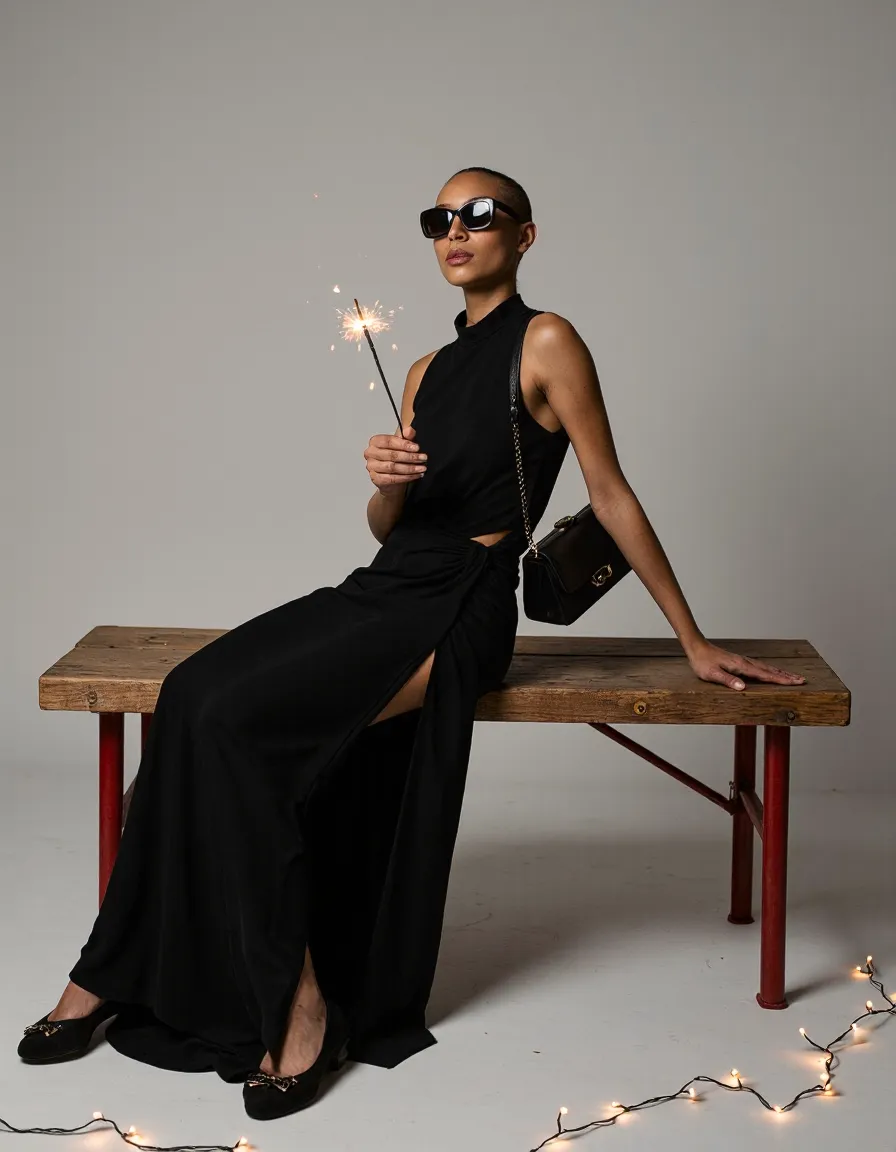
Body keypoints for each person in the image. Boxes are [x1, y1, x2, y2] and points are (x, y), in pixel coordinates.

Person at [16, 166, 806, 1121]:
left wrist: (691, 639)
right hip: (388, 587)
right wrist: (385, 476)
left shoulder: (546, 339)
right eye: (440, 219)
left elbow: (609, 491)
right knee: (190, 695)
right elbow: (390, 527)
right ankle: (107, 972)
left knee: (236, 731)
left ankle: (302, 1006)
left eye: (481, 215)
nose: (456, 231)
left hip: (463, 603)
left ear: (525, 235)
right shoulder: (428, 370)